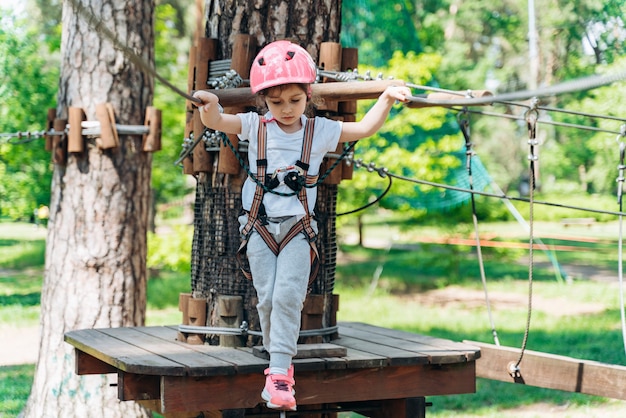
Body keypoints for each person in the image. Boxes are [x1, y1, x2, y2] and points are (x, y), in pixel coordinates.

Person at [193, 40, 411, 411]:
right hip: (259, 226)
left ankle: (279, 373)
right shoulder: (254, 125)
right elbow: (217, 122)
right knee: (267, 298)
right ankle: (274, 350)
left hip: (298, 227)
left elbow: (363, 129)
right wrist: (211, 106)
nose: (287, 109)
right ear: (263, 101)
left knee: (287, 296)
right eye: (277, 103)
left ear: (307, 95)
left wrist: (386, 99)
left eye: (294, 100)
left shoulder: (319, 131)